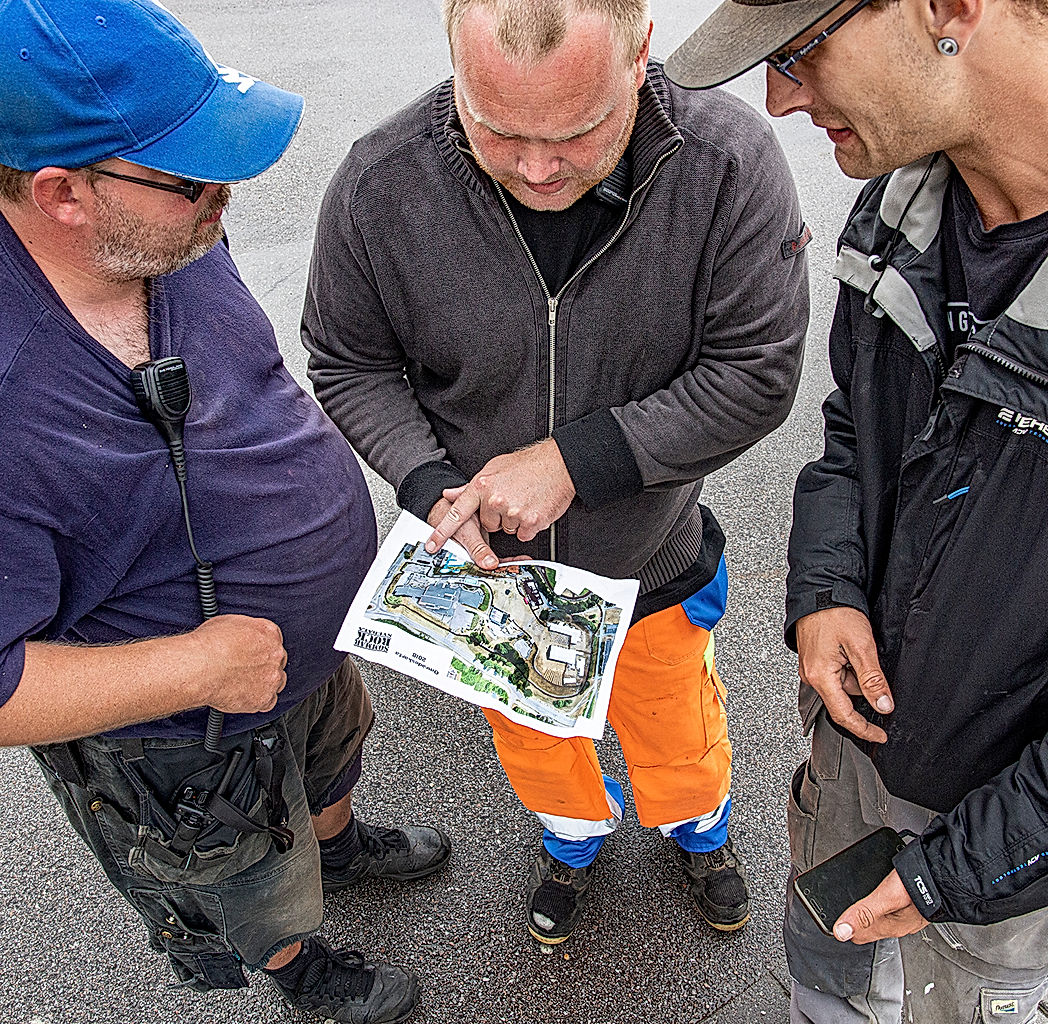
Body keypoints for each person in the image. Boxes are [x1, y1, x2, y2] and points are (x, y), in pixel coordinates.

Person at [302, 0, 809, 945]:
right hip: (495, 585)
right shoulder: (380, 184)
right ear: (454, 61)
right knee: (536, 741)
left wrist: (578, 462)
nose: (539, 169)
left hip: (655, 564)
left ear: (640, 53)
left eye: (579, 132)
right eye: (496, 129)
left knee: (677, 728)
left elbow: (757, 372)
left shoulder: (727, 166)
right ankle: (571, 839)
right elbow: (347, 360)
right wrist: (424, 481)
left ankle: (699, 832)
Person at [0, 3, 450, 1022]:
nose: (224, 199)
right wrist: (199, 668)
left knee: (330, 756)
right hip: (189, 729)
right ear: (62, 192)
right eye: (191, 178)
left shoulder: (163, 237)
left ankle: (339, 839)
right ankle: (297, 963)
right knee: (248, 866)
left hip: (311, 656)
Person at [665, 0, 1048, 1020]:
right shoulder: (900, 209)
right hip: (853, 780)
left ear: (948, 9)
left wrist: (959, 870)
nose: (776, 98)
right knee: (828, 989)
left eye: (800, 51)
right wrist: (826, 586)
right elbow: (854, 430)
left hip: (1013, 880)